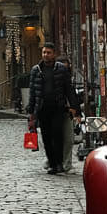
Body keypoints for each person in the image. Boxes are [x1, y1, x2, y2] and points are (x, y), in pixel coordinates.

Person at [27, 43, 79, 176]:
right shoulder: (36, 70)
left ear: (54, 54)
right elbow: (33, 92)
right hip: (42, 108)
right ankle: (52, 163)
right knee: (46, 137)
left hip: (58, 107)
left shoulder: (61, 69)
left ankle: (59, 163)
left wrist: (74, 107)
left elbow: (68, 88)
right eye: (44, 52)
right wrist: (31, 111)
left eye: (48, 53)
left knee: (57, 135)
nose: (46, 55)